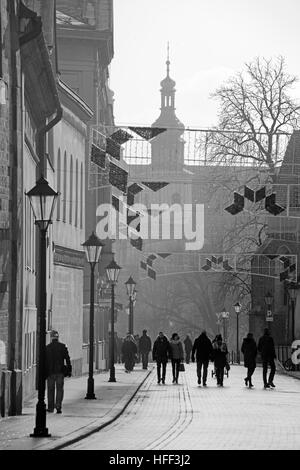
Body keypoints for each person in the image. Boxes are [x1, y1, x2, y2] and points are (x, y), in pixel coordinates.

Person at [45, 330, 72, 414]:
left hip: (50, 373)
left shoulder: (47, 347)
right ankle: (58, 406)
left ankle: (50, 407)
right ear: (58, 337)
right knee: (60, 389)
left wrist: (44, 373)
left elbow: (44, 361)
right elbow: (67, 359)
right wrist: (69, 370)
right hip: (60, 372)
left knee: (50, 390)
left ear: (51, 337)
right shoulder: (63, 346)